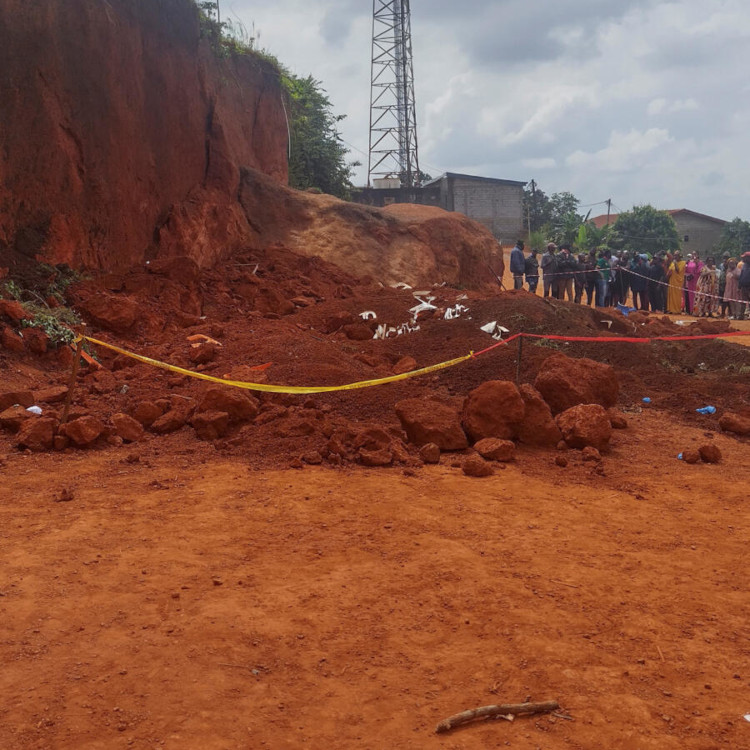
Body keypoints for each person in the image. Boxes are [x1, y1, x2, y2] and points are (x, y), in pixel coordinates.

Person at [738, 251, 750, 320]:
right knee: (743, 301)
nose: (743, 259)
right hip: (744, 286)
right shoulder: (744, 265)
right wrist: (739, 285)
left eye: (745, 258)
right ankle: (741, 315)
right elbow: (741, 275)